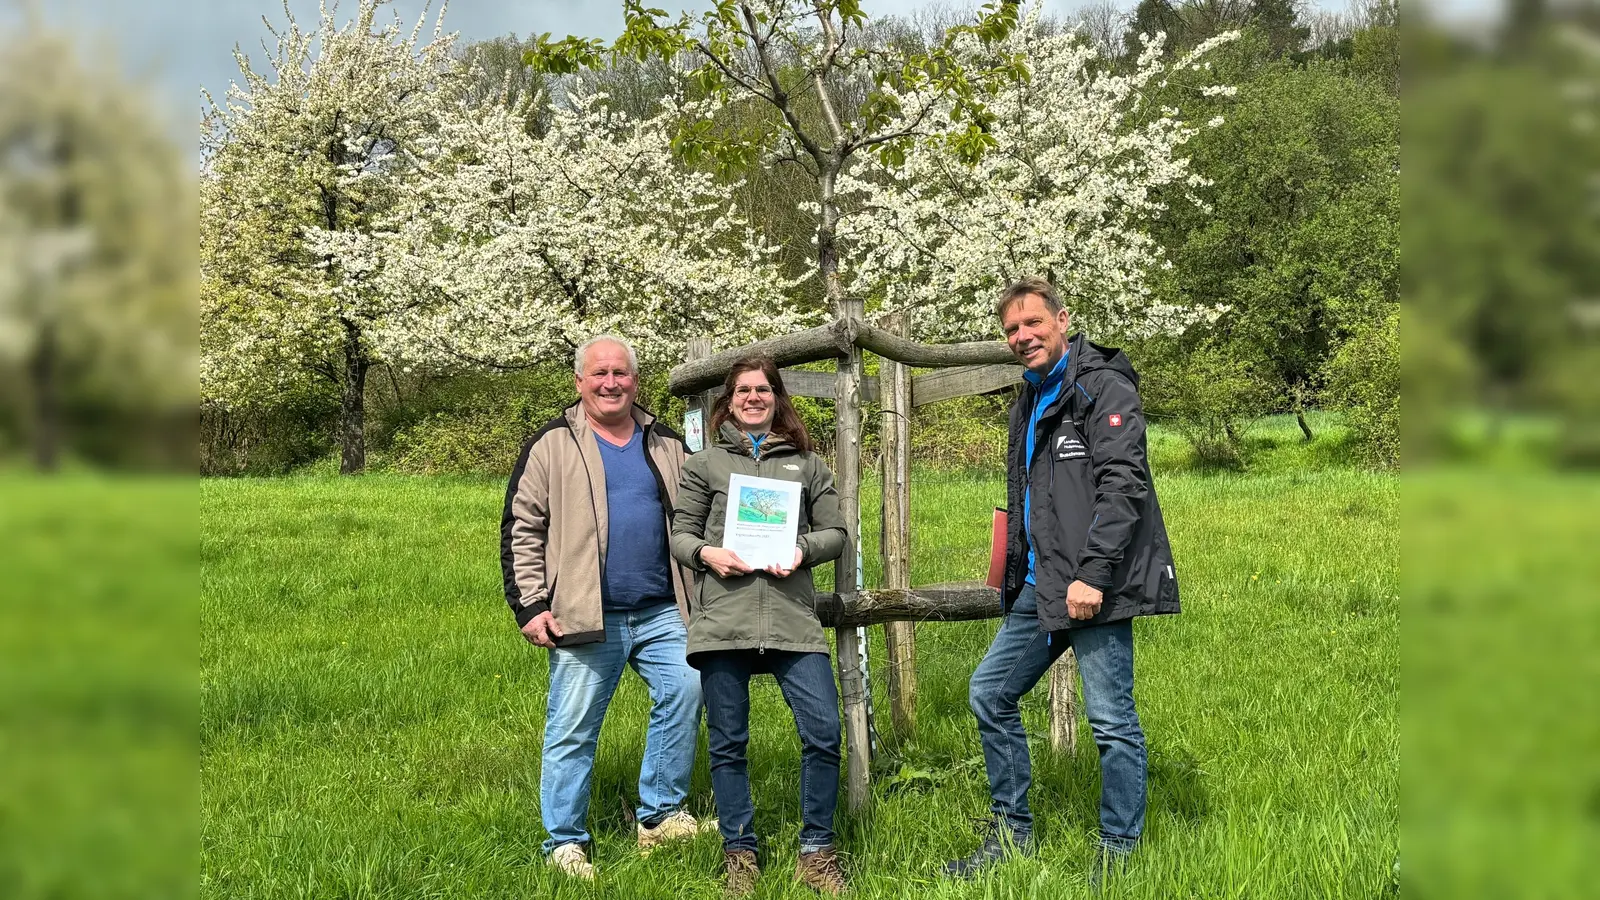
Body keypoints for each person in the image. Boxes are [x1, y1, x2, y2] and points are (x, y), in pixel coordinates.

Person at [942, 277, 1181, 887]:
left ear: (1063, 321)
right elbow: (1033, 497)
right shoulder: (1028, 398)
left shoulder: (1102, 388)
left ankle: (1118, 850)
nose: (1023, 337)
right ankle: (1010, 835)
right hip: (1042, 586)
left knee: (1110, 722)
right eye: (1012, 331)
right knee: (989, 693)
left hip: (1093, 589)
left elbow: (1124, 487)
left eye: (1033, 324)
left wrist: (1092, 575)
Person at [501, 335, 714, 880]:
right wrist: (529, 606)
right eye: (599, 374)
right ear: (579, 382)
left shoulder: (666, 441)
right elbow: (522, 528)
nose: (611, 383)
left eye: (621, 373)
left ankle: (660, 815)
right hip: (584, 614)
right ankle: (564, 843)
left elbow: (699, 514)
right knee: (572, 727)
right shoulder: (551, 444)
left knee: (685, 691)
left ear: (635, 381)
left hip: (663, 609)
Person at [669, 356, 849, 897]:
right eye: (743, 389)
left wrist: (800, 549)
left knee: (824, 734)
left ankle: (817, 851)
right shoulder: (704, 465)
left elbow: (836, 532)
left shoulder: (809, 465)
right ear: (728, 400)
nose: (753, 397)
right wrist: (707, 554)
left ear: (777, 397)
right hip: (725, 620)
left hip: (793, 619)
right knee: (728, 743)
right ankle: (740, 853)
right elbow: (680, 535)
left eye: (763, 389)